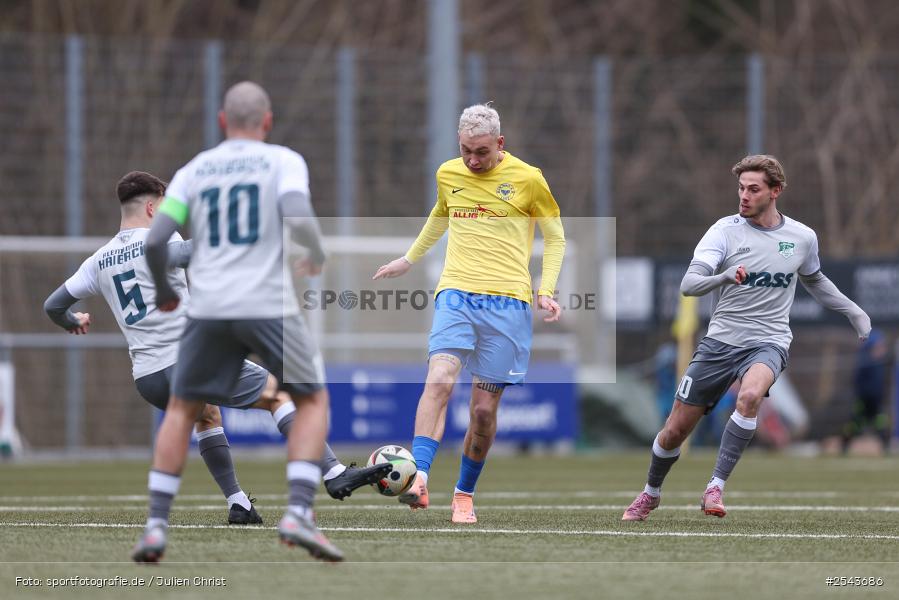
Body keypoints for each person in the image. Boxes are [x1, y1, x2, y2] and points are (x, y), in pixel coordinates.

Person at [43, 172, 390, 527]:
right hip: (190, 364)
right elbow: (191, 252)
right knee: (279, 394)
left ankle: (239, 503)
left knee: (207, 415)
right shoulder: (161, 242)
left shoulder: (97, 261)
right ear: (151, 207)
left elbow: (52, 305)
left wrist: (71, 320)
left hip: (148, 379)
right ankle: (332, 473)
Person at [131, 82, 348, 562]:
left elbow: (155, 242)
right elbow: (297, 213)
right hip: (267, 303)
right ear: (267, 121)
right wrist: (313, 252)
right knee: (309, 399)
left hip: (208, 310)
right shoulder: (284, 161)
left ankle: (155, 527)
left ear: (221, 121)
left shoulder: (193, 171)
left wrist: (166, 294)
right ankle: (296, 512)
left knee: (183, 410)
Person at [622, 154, 871, 521]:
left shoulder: (801, 238)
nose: (744, 196)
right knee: (674, 431)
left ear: (775, 191)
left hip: (769, 340)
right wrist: (723, 277)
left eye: (753, 189)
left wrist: (854, 311)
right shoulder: (724, 231)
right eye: (741, 188)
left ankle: (715, 487)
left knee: (751, 395)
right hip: (720, 341)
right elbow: (690, 285)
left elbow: (815, 280)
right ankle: (650, 493)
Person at [373, 103, 565, 524]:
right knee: (439, 380)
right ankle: (419, 478)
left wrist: (545, 289)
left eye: (481, 152)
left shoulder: (529, 179)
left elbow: (555, 236)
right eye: (465, 151)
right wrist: (409, 258)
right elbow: (441, 214)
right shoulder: (448, 173)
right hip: (456, 294)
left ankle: (463, 494)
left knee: (481, 412)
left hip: (508, 303)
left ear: (500, 143)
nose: (473, 161)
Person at [842, 328, 891, 454]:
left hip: (876, 402)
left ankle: (886, 448)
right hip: (863, 401)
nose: (882, 349)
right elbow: (858, 383)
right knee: (855, 424)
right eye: (878, 346)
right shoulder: (865, 363)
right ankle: (844, 446)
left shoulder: (880, 363)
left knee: (881, 423)